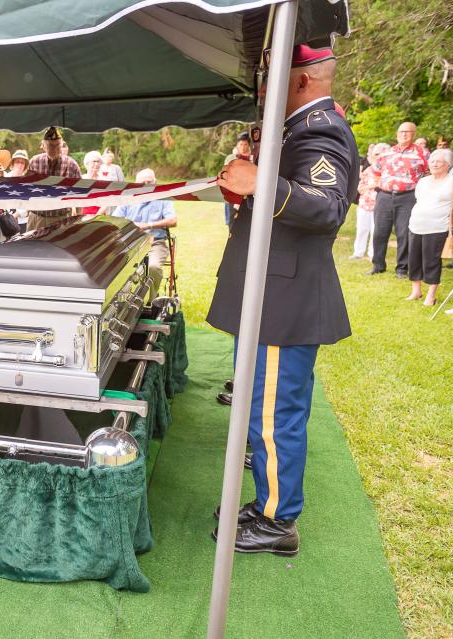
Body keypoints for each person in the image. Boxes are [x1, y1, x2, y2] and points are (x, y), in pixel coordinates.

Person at [211, 44, 360, 555]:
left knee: (274, 416)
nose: (263, 90)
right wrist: (251, 186)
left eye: (272, 79)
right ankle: (266, 502)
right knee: (262, 409)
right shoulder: (299, 128)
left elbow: (328, 208)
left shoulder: (321, 129)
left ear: (300, 82)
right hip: (274, 291)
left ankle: (278, 520)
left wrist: (261, 183)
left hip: (284, 296)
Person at [369, 122, 430, 277]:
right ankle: (378, 265)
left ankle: (402, 268)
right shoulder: (386, 152)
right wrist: (378, 186)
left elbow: (429, 175)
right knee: (379, 232)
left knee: (403, 233)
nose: (404, 134)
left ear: (414, 134)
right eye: (401, 131)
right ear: (397, 134)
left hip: (408, 197)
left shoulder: (423, 153)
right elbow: (375, 171)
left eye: (408, 132)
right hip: (384, 196)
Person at [113, 168, 176, 298]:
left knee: (153, 267)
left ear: (155, 182)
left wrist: (149, 225)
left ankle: (152, 301)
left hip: (156, 242)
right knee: (117, 268)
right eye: (142, 182)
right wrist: (131, 226)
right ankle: (122, 301)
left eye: (149, 181)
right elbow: (115, 221)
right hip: (131, 243)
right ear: (136, 184)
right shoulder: (128, 199)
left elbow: (173, 220)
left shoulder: (163, 198)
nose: (146, 185)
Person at [405, 148, 453, 306]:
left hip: (437, 227)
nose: (434, 164)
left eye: (438, 161)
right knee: (414, 259)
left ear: (448, 164)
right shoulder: (423, 181)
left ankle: (431, 295)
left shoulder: (451, 182)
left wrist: (451, 230)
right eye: (432, 161)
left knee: (431, 261)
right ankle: (416, 291)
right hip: (416, 225)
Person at [26, 126, 82, 230]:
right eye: (50, 145)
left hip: (62, 219)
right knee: (33, 246)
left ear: (62, 145)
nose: (54, 149)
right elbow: (26, 188)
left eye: (58, 145)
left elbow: (81, 193)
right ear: (43, 145)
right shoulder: (34, 162)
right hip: (37, 218)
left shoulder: (71, 165)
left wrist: (78, 220)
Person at [351, 142, 390, 259]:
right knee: (362, 229)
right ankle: (358, 252)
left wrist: (371, 186)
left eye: (379, 154)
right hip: (364, 203)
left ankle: (373, 254)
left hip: (379, 205)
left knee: (376, 231)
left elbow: (383, 184)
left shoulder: (388, 170)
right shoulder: (369, 169)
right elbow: (360, 185)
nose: (377, 156)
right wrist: (365, 188)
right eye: (375, 154)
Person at [223, 132, 253, 224]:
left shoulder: (252, 158)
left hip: (246, 197)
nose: (243, 147)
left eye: (245, 144)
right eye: (241, 144)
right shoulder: (230, 158)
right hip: (232, 196)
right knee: (232, 223)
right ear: (237, 145)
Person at [6, 149, 30, 232]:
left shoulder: (28, 182)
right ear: (12, 164)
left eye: (22, 162)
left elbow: (29, 202)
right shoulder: (4, 178)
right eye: (17, 162)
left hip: (22, 221)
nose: (19, 165)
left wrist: (16, 214)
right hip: (5, 220)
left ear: (25, 166)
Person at [81, 150, 105, 215]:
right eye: (94, 161)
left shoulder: (104, 180)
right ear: (87, 163)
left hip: (99, 216)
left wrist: (96, 217)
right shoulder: (81, 179)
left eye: (98, 162)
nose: (96, 164)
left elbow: (106, 203)